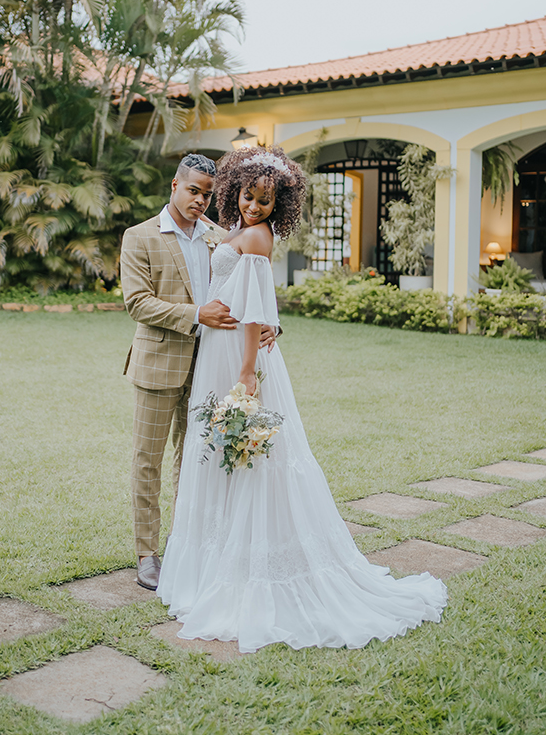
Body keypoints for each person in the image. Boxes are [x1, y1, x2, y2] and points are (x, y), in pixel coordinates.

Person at [158, 145, 447, 652]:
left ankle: (239, 569)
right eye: (248, 196)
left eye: (266, 202)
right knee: (226, 458)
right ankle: (216, 561)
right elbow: (257, 306)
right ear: (235, 191)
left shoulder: (255, 239)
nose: (254, 207)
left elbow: (251, 314)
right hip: (220, 348)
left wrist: (247, 374)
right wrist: (265, 328)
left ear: (278, 205)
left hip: (235, 356)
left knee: (243, 459)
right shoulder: (234, 230)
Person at [120, 153, 277, 590]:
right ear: (175, 185)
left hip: (212, 366)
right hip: (159, 364)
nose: (200, 201)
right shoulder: (140, 236)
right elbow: (137, 302)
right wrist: (196, 315)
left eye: (207, 194)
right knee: (148, 462)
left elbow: (247, 281)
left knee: (196, 461)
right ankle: (147, 554)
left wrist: (270, 323)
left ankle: (185, 544)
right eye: (193, 191)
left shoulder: (218, 236)